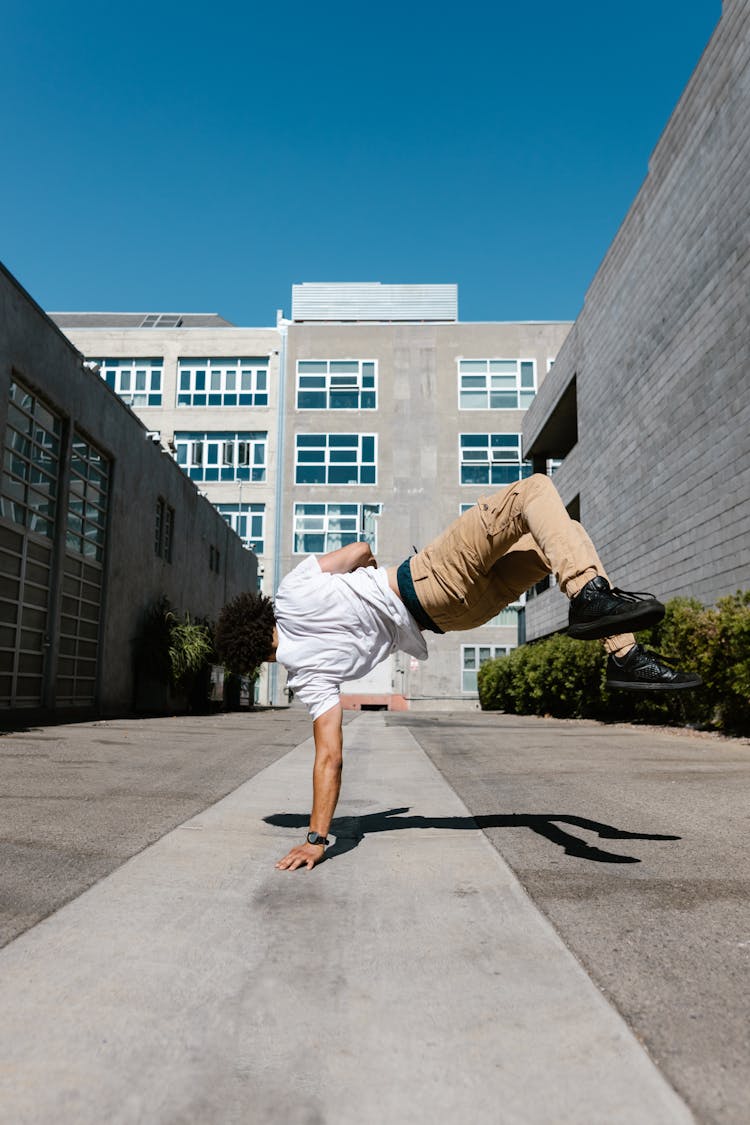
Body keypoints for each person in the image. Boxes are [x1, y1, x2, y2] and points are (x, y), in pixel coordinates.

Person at [216, 474, 701, 872]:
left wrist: (318, 840)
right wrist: (369, 578)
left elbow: (330, 759)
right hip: (428, 577)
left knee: (559, 536)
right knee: (534, 491)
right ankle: (595, 604)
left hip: (455, 616)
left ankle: (623, 653)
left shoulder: (305, 677)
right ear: (257, 612)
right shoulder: (290, 592)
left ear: (256, 656)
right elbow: (361, 549)